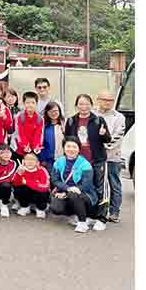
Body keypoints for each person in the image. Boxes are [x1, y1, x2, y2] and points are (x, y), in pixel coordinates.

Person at [64, 94, 111, 229]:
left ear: (91, 105)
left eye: (86, 104)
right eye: (80, 104)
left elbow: (108, 139)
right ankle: (87, 216)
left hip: (97, 161)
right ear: (76, 106)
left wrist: (103, 134)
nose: (83, 106)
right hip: (79, 162)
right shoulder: (71, 121)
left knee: (100, 189)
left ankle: (101, 219)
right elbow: (67, 141)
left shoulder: (98, 120)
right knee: (82, 188)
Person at [49, 138, 98, 233]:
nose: (71, 149)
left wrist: (68, 192)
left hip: (85, 195)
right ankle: (75, 214)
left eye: (74, 147)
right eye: (68, 146)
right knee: (55, 208)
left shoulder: (85, 164)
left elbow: (86, 184)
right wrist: (66, 189)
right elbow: (55, 180)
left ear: (79, 149)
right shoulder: (59, 162)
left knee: (73, 194)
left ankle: (82, 222)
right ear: (63, 148)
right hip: (66, 191)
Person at [96, 89, 126, 223]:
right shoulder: (93, 114)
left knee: (114, 184)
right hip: (96, 158)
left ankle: (114, 212)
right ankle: (98, 210)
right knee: (97, 184)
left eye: (110, 100)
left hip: (113, 157)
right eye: (104, 99)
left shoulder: (119, 117)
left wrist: (100, 146)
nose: (108, 102)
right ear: (98, 100)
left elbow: (117, 137)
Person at [11, 152, 50, 218]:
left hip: (38, 195)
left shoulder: (42, 170)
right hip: (26, 194)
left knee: (43, 192)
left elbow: (45, 186)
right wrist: (19, 174)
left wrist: (27, 182)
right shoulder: (21, 169)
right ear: (23, 161)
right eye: (27, 159)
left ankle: (40, 209)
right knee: (19, 189)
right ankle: (25, 206)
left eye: (32, 159)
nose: (30, 162)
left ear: (37, 162)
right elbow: (15, 184)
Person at [14, 91, 44, 160]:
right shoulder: (20, 117)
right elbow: (19, 133)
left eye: (33, 102)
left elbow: (39, 134)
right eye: (27, 102)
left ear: (36, 104)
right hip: (21, 149)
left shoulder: (39, 118)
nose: (30, 105)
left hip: (34, 151)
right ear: (24, 103)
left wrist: (36, 146)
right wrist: (25, 145)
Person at [41, 101, 64, 169]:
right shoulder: (43, 126)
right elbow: (40, 143)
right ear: (47, 112)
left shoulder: (64, 124)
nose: (53, 113)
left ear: (59, 111)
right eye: (50, 111)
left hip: (62, 159)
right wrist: (42, 159)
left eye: (55, 111)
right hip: (48, 160)